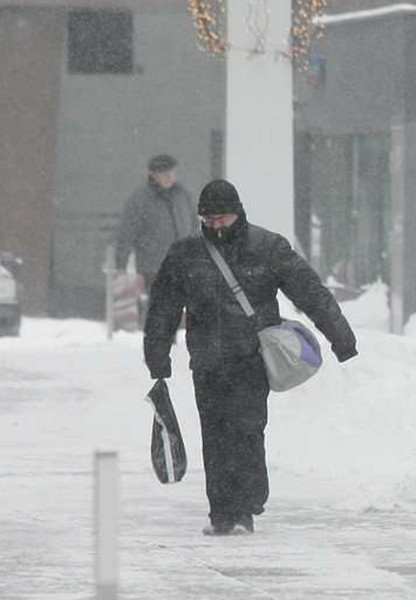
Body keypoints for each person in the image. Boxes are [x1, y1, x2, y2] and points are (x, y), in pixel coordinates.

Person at [143, 179, 359, 536]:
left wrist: (342, 339)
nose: (215, 226)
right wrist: (157, 356)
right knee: (214, 436)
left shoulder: (267, 247)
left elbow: (311, 293)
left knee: (247, 430)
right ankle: (222, 514)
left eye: (222, 218)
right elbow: (163, 308)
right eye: (208, 220)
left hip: (251, 359)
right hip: (208, 361)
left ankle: (247, 504)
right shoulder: (186, 254)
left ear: (238, 213)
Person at [115, 154, 196, 325]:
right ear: (153, 175)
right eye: (164, 173)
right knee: (161, 304)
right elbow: (127, 232)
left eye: (172, 173)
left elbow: (194, 227)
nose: (169, 177)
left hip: (182, 262)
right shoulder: (140, 200)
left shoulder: (184, 197)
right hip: (153, 263)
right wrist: (121, 261)